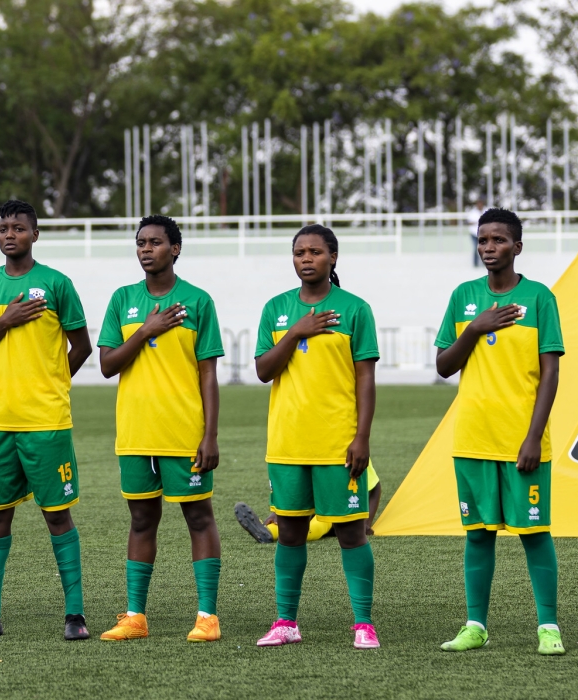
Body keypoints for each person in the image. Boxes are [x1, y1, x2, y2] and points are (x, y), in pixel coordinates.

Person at [0, 200, 93, 641]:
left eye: (17, 228)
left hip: (46, 419)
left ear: (35, 234)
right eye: (2, 228)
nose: (8, 235)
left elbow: (82, 346)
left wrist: (52, 384)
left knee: (57, 516)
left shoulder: (56, 284)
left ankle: (75, 615)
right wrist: (5, 322)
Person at [435, 208, 566, 656]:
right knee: (477, 533)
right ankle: (476, 625)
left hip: (522, 441)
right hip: (472, 438)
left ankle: (548, 626)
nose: (489, 248)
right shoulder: (463, 297)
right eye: (483, 240)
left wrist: (533, 436)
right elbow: (444, 365)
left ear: (517, 247)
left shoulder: (539, 299)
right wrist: (474, 328)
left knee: (534, 532)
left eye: (498, 241)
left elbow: (550, 374)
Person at [96, 215, 225, 643]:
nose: (146, 249)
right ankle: (135, 616)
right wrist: (146, 331)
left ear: (175, 248)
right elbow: (108, 364)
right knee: (140, 519)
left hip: (184, 432)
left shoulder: (198, 301)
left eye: (155, 242)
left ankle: (207, 616)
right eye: (140, 243)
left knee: (199, 517)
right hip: (135, 431)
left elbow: (208, 373)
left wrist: (210, 435)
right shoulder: (123, 300)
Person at [253, 224, 380, 650]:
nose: (306, 259)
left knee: (351, 532)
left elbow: (365, 379)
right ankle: (286, 622)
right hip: (287, 443)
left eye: (315, 252)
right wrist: (295, 333)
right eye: (299, 252)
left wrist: (361, 437)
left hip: (337, 443)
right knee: (290, 532)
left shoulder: (355, 309)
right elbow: (263, 370)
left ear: (333, 258)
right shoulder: (276, 310)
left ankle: (364, 623)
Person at [235, 462, 383, 542]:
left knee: (322, 523)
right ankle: (267, 529)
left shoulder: (351, 451)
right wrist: (278, 511)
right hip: (312, 507)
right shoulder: (308, 454)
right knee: (295, 521)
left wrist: (366, 523)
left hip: (339, 510)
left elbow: (375, 488)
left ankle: (270, 533)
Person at [466, 199, 485, 268]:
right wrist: (476, 222)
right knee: (475, 248)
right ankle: (475, 264)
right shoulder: (473, 212)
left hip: (483, 234)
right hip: (474, 234)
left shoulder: (485, 211)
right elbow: (468, 222)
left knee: (484, 249)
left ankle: (484, 263)